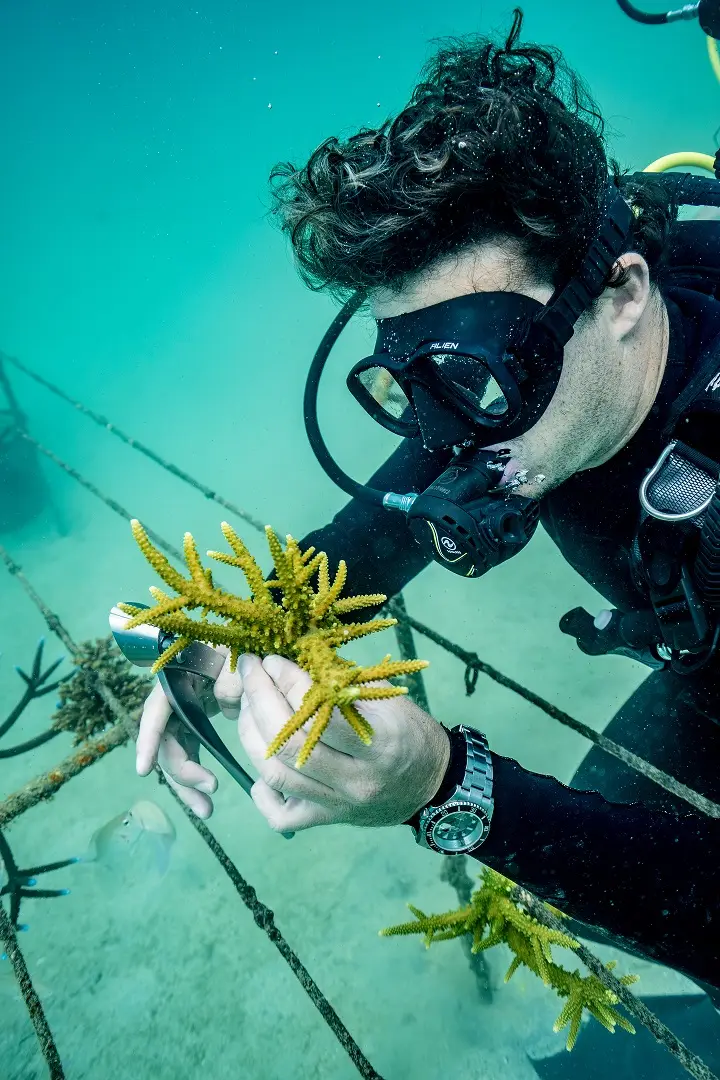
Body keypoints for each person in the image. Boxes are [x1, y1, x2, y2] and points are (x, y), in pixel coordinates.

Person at [137, 6, 719, 1036]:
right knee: (584, 864)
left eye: (472, 372)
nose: (446, 439)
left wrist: (447, 784)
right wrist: (225, 641)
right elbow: (378, 531)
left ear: (622, 294)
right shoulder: (537, 402)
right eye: (413, 382)